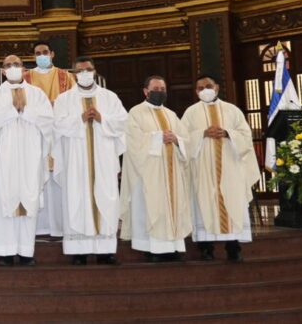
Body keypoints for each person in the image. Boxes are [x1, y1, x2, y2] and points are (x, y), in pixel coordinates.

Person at [0, 55, 53, 266]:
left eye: (17, 65)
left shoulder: (37, 94)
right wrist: (13, 110)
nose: (13, 68)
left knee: (27, 200)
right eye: (8, 65)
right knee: (3, 200)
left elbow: (48, 121)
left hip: (30, 155)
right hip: (4, 157)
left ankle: (25, 251)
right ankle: (4, 251)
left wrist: (26, 111)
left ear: (23, 69)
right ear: (3, 71)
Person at [53, 57, 127, 265]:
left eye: (88, 69)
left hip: (103, 157)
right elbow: (57, 126)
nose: (85, 73)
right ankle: (79, 250)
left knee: (105, 197)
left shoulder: (109, 97)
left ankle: (106, 250)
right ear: (74, 74)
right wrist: (81, 118)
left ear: (94, 70)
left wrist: (103, 118)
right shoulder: (64, 99)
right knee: (78, 198)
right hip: (76, 161)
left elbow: (123, 122)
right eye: (80, 70)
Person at [182, 75, 260, 262]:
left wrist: (227, 133)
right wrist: (202, 134)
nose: (204, 90)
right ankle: (205, 248)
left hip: (230, 168)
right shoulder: (191, 112)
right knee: (204, 204)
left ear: (216, 87)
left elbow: (245, 136)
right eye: (200, 88)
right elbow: (183, 138)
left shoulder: (232, 110)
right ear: (196, 91)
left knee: (232, 203)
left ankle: (233, 248)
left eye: (208, 86)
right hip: (203, 169)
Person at [121, 76, 192, 261]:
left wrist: (176, 140)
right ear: (146, 91)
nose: (159, 92)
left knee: (172, 208)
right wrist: (158, 136)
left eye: (162, 89)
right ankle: (151, 249)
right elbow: (132, 141)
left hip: (171, 172)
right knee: (151, 208)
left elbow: (185, 139)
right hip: (148, 173)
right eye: (156, 88)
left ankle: (173, 248)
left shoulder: (171, 114)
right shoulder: (136, 113)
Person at [24, 41, 75, 238]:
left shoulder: (66, 77)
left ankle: (60, 226)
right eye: (38, 53)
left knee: (58, 179)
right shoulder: (26, 78)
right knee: (37, 178)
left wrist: (58, 106)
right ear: (34, 56)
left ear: (52, 54)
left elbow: (73, 102)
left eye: (45, 52)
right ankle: (40, 227)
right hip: (36, 134)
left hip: (59, 133)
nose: (42, 55)